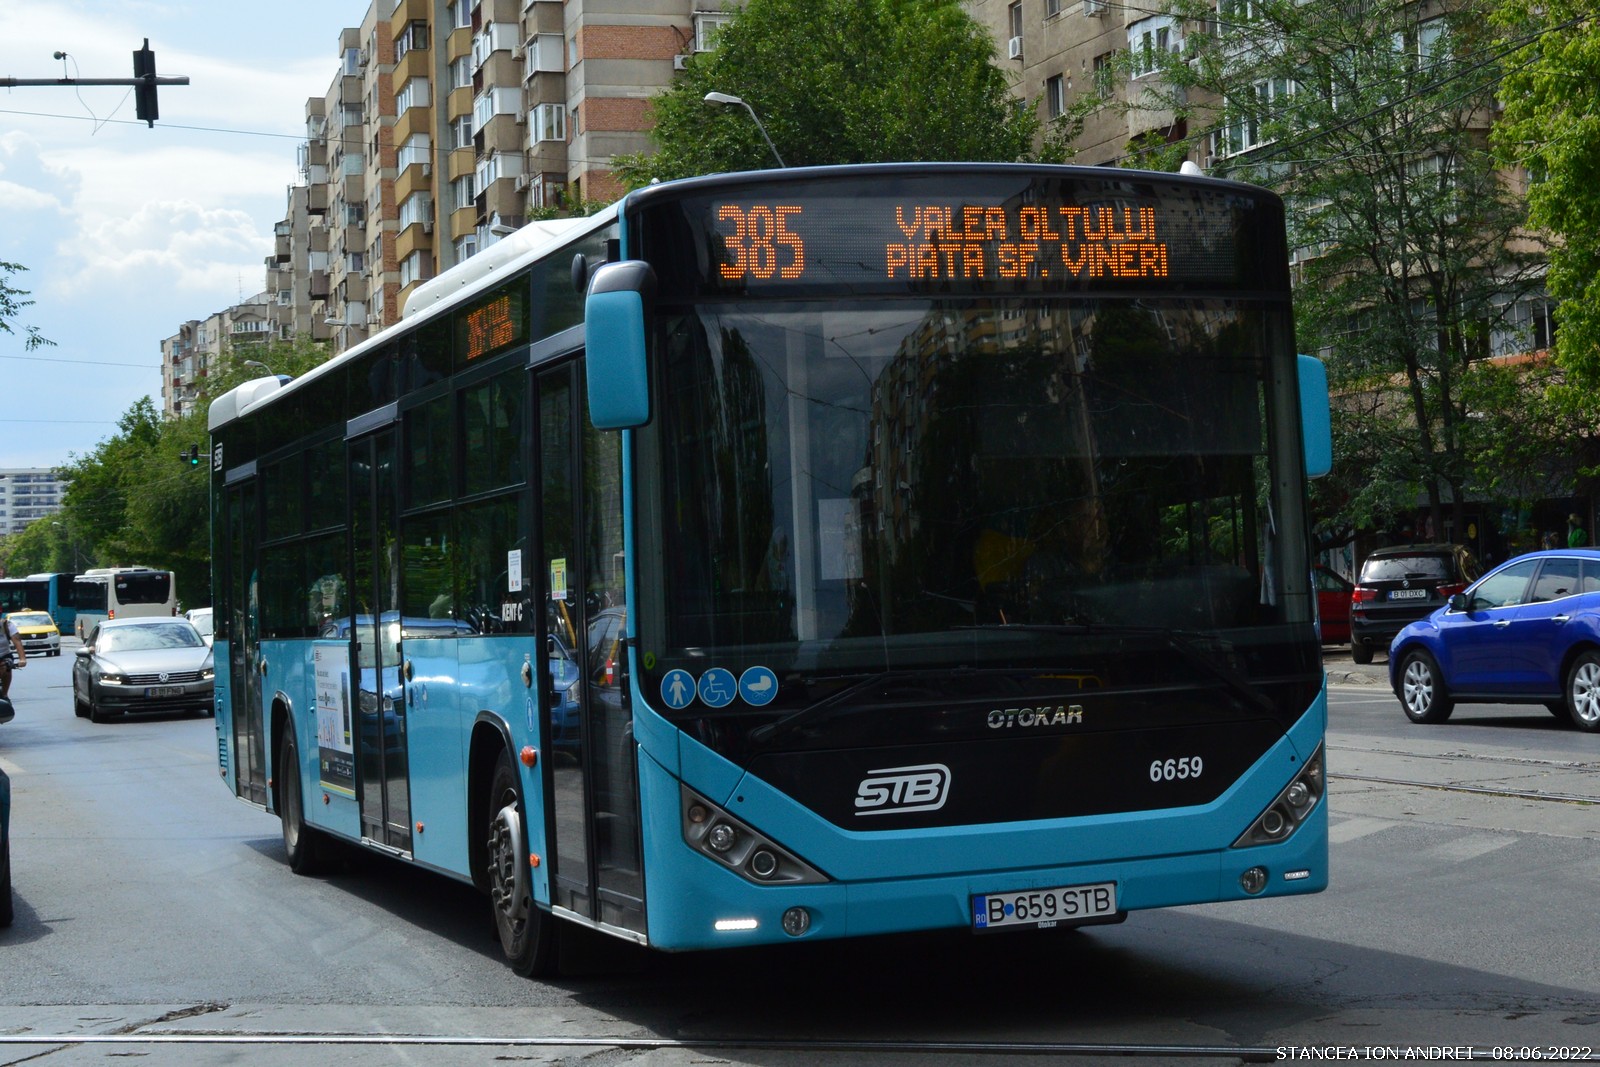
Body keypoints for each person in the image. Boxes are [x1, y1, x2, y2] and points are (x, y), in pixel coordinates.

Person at [0, 612, 27, 700]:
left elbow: (17, 640)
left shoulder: (6, 625)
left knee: (7, 666)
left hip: (4, 655)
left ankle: (4, 694)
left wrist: (22, 659)